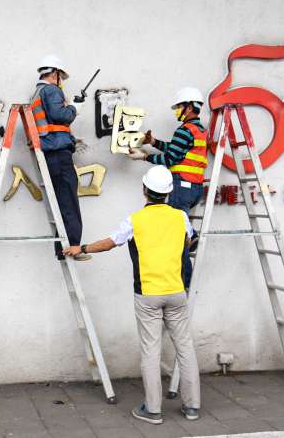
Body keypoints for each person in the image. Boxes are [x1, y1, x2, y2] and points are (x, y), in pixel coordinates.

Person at [64, 166, 200, 424]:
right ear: (169, 193)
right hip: (177, 291)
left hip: (147, 293)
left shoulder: (135, 219)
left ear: (145, 191)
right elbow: (188, 241)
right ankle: (192, 407)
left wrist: (80, 247)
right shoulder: (181, 217)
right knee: (186, 348)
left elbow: (109, 243)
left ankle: (153, 410)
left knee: (151, 351)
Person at [128, 87, 207, 289]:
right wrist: (153, 142)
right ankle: (192, 236)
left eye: (179, 106)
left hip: (180, 186)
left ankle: (184, 283)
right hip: (194, 187)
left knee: (179, 242)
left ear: (190, 107)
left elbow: (171, 158)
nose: (176, 111)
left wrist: (144, 156)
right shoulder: (198, 130)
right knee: (180, 235)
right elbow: (176, 149)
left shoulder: (184, 130)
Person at [31, 54, 90, 261]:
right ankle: (73, 245)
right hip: (58, 153)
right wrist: (75, 108)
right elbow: (61, 116)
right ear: (55, 74)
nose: (62, 82)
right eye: (61, 77)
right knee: (69, 201)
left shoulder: (38, 93)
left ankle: (61, 247)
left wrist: (72, 105)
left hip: (49, 153)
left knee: (61, 203)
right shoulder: (51, 90)